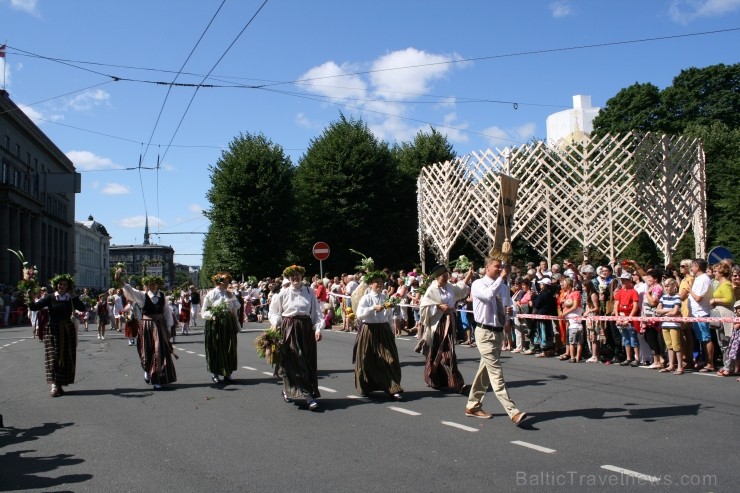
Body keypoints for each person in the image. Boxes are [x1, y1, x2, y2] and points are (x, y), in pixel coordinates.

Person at [465, 257, 527, 426]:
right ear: (487, 268)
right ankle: (513, 412)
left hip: (498, 332)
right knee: (496, 374)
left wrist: (510, 311)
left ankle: (472, 405)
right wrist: (501, 278)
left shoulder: (504, 288)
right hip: (484, 332)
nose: (500, 270)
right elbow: (487, 296)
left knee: (485, 371)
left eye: (502, 267)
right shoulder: (478, 284)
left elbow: (510, 310)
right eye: (497, 267)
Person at [268, 265, 324, 411]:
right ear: (288, 278)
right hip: (289, 327)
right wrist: (275, 323)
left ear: (302, 276)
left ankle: (288, 390)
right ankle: (307, 395)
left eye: (298, 274)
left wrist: (318, 328)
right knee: (294, 359)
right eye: (292, 275)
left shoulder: (309, 291)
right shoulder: (283, 293)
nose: (295, 277)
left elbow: (317, 312)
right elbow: (274, 312)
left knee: (307, 360)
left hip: (305, 328)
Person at [27, 274, 87, 397]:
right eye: (60, 284)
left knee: (66, 356)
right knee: (53, 356)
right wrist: (29, 297)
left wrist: (74, 295)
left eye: (64, 284)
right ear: (56, 286)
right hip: (53, 329)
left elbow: (82, 308)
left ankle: (60, 383)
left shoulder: (70, 298)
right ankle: (54, 384)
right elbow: (34, 307)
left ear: (68, 287)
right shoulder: (50, 297)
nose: (62, 286)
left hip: (67, 329)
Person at [117, 270, 177, 390]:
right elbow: (130, 290)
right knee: (146, 350)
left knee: (159, 350)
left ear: (158, 284)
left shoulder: (162, 296)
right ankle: (147, 370)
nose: (152, 285)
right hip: (147, 326)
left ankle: (156, 378)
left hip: (159, 326)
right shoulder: (143, 296)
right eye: (150, 283)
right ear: (147, 285)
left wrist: (169, 329)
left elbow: (167, 313)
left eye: (154, 283)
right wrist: (119, 279)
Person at [418, 264, 472, 394]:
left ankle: (457, 383)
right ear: (437, 277)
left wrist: (469, 275)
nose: (446, 277)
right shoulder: (432, 290)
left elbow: (460, 289)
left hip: (449, 321)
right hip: (438, 323)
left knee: (449, 351)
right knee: (435, 350)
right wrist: (438, 306)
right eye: (443, 276)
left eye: (447, 275)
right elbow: (424, 307)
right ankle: (433, 378)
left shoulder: (449, 287)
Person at [354, 271, 403, 400]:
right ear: (370, 284)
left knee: (390, 358)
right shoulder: (366, 298)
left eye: (381, 282)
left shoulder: (385, 298)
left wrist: (392, 332)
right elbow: (359, 315)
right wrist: (372, 308)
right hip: (369, 330)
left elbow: (389, 316)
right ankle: (366, 387)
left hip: (384, 330)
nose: (380, 284)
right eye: (377, 282)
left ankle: (393, 387)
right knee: (367, 359)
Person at [201, 272, 241, 385]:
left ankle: (228, 373)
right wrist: (212, 316)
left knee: (229, 347)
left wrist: (232, 297)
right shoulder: (211, 294)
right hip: (215, 322)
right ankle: (215, 373)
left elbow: (236, 307)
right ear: (219, 282)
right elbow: (204, 311)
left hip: (228, 323)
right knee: (216, 347)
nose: (228, 283)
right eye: (226, 281)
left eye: (228, 281)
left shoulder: (229, 294)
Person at [688, 258, 716, 372]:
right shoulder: (698, 278)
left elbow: (699, 298)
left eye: (693, 266)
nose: (691, 268)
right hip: (695, 313)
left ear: (698, 267)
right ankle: (704, 360)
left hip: (702, 313)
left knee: (706, 338)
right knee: (701, 338)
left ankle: (710, 363)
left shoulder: (704, 279)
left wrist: (690, 290)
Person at [613, 271, 641, 367]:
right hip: (621, 316)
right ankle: (628, 358)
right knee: (625, 338)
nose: (623, 282)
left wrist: (629, 318)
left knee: (633, 337)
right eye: (622, 280)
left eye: (625, 280)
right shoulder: (620, 292)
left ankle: (637, 358)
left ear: (630, 281)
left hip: (630, 317)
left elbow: (635, 306)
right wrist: (617, 317)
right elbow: (616, 305)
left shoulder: (633, 292)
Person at [657, 278, 683, 374]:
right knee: (669, 346)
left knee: (676, 345)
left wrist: (665, 312)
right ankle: (671, 365)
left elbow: (675, 311)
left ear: (673, 286)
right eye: (665, 286)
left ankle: (680, 366)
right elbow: (658, 310)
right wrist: (668, 311)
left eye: (668, 286)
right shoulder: (663, 297)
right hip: (665, 323)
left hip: (674, 324)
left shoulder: (677, 297)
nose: (666, 288)